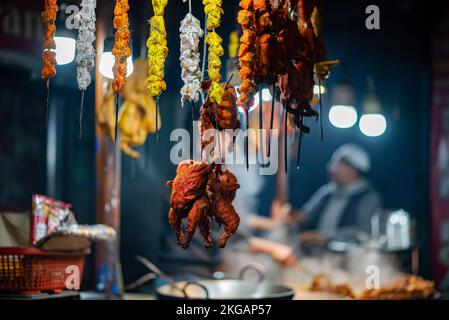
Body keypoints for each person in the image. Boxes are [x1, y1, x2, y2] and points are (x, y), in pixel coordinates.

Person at [297, 143, 382, 246]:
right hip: (319, 255)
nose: (332, 169)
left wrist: (326, 237)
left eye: (338, 164)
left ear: (353, 170)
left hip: (350, 257)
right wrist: (292, 216)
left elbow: (364, 231)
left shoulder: (368, 197)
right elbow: (305, 216)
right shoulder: (327, 192)